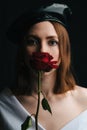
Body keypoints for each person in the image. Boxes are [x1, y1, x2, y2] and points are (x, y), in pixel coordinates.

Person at [0, 2, 87, 130]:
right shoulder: (4, 105)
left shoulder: (85, 100)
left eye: (52, 42)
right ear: (23, 51)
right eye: (32, 41)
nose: (42, 50)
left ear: (63, 50)